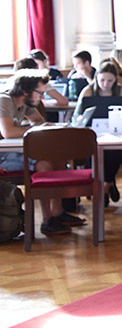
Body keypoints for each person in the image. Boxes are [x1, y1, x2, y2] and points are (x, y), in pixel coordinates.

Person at [0, 70, 85, 235]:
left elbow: (39, 122)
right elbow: (8, 132)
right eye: (40, 93)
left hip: (13, 151)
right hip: (3, 156)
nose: (42, 98)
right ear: (25, 92)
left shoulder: (25, 103)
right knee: (44, 163)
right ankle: (47, 220)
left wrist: (40, 127)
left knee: (59, 159)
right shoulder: (4, 100)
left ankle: (58, 212)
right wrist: (35, 128)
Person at [73, 61, 122, 205]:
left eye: (110, 80)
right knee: (94, 152)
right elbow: (77, 117)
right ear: (96, 78)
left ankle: (105, 185)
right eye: (102, 80)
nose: (105, 84)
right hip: (93, 135)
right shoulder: (88, 91)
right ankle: (108, 183)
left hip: (117, 134)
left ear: (116, 80)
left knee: (115, 151)